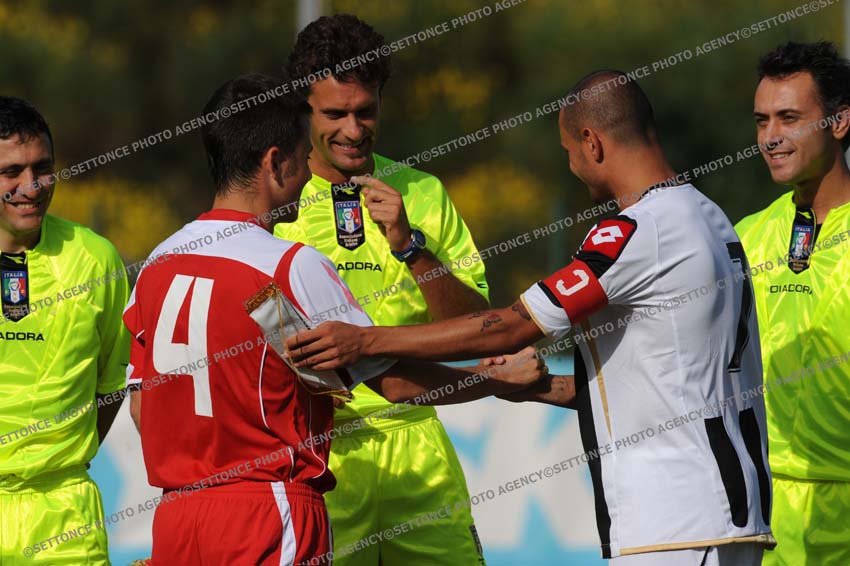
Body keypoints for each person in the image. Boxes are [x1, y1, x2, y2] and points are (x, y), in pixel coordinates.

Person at [287, 71, 777, 566]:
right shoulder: (712, 217)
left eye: (569, 150)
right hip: (724, 512)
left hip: (676, 521)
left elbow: (508, 328)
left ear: (592, 142)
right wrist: (522, 385)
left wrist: (365, 342)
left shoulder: (636, 231)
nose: (572, 166)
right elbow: (654, 380)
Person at [124, 73, 543, 565]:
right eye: (303, 158)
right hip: (267, 511)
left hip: (178, 515)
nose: (310, 176)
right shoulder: (288, 265)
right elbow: (393, 384)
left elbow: (141, 408)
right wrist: (494, 381)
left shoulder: (157, 263)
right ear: (274, 163)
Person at [273, 14, 491, 565]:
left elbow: (479, 328)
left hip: (419, 448)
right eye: (334, 114)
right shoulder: (275, 207)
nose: (353, 130)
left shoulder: (423, 192)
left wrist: (411, 247)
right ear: (303, 110)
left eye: (365, 111)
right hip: (319, 455)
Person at [735, 41, 850, 566]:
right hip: (762, 507)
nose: (771, 137)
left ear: (839, 122)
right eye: (762, 121)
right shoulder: (746, 236)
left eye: (789, 118)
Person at [0, 96, 129, 564]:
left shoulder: (96, 259)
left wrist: (61, 463)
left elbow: (112, 386)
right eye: (11, 172)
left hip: (66, 517)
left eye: (43, 168)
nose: (31, 186)